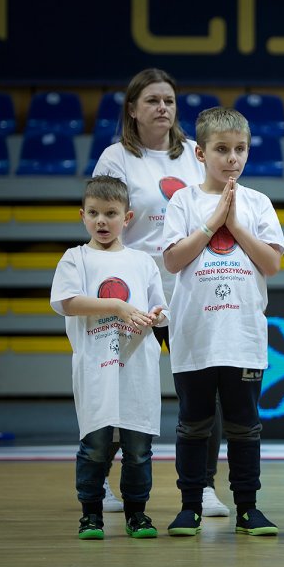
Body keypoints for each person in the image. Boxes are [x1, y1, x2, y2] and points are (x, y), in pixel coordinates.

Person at [92, 67, 228, 517]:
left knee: (202, 392)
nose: (163, 108)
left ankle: (204, 487)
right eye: (152, 100)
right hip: (135, 294)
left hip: (192, 288)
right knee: (123, 389)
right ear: (132, 109)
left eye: (169, 100)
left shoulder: (195, 154)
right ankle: (104, 484)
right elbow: (105, 222)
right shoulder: (116, 158)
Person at [162, 107, 284, 537]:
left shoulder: (258, 203)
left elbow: (271, 263)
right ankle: (190, 506)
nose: (232, 158)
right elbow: (174, 259)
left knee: (244, 426)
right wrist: (212, 223)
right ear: (200, 152)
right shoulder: (183, 201)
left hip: (243, 335)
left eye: (240, 149)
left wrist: (235, 225)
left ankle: (249, 508)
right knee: (193, 423)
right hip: (195, 334)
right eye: (221, 149)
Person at [50, 175, 167, 539]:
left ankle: (137, 514)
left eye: (111, 213)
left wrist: (159, 315)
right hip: (95, 367)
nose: (102, 221)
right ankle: (91, 515)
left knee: (138, 448)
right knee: (96, 444)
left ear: (127, 217)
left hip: (137, 368)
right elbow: (69, 303)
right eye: (94, 213)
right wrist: (117, 306)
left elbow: (160, 307)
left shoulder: (143, 261)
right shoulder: (75, 259)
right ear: (82, 216)